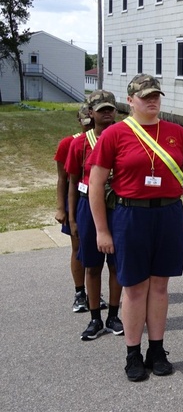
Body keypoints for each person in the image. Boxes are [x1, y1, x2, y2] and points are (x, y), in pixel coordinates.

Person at [89, 74, 183, 381]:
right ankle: (133, 353)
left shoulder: (177, 133)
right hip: (130, 216)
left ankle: (157, 349)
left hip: (168, 215)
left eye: (156, 96)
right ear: (131, 100)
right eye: (145, 96)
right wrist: (102, 230)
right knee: (135, 288)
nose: (152, 100)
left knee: (160, 286)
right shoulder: (115, 135)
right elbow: (96, 184)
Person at [65, 91, 123, 339]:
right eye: (101, 109)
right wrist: (72, 218)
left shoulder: (124, 137)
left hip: (117, 206)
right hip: (87, 206)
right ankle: (94, 318)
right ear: (91, 113)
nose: (106, 113)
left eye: (110, 108)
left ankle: (113, 315)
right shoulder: (79, 143)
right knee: (92, 264)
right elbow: (72, 181)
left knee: (116, 265)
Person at [57, 104, 95, 313]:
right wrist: (61, 208)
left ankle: (95, 295)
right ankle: (80, 292)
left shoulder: (105, 140)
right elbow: (63, 179)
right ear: (79, 120)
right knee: (78, 248)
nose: (89, 127)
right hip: (78, 201)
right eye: (85, 123)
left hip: (99, 200)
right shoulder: (69, 143)